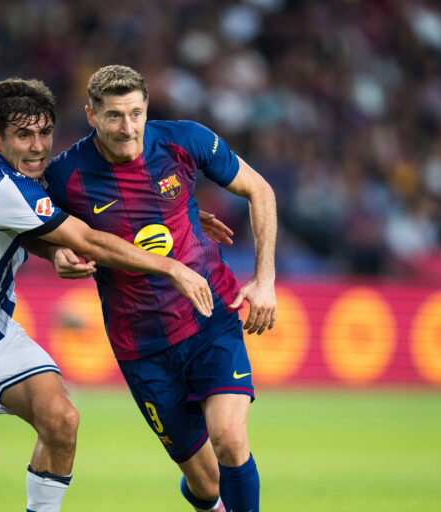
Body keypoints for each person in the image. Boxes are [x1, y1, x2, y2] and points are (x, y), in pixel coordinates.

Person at [0, 77, 215, 512]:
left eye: (45, 132)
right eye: (24, 135)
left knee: (62, 420)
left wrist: (55, 250)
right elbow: (89, 239)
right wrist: (170, 264)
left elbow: (29, 233)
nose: (39, 146)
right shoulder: (5, 188)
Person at [42, 65, 277, 512]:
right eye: (114, 116)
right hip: (142, 347)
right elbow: (30, 226)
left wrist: (264, 280)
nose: (127, 127)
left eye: (136, 113)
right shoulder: (66, 175)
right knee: (208, 486)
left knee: (229, 440)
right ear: (91, 115)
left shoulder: (182, 140)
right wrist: (53, 252)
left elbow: (259, 190)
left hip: (210, 319)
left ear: (147, 110)